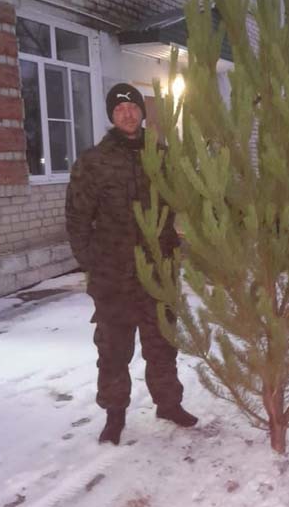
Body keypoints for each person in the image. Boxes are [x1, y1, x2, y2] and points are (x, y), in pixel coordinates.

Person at [66, 83, 197, 445]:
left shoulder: (162, 157)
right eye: (119, 108)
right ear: (112, 115)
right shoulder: (94, 162)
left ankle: (169, 404)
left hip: (158, 270)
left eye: (133, 107)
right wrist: (92, 262)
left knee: (162, 344)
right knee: (113, 349)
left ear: (142, 112)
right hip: (114, 276)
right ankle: (115, 414)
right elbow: (77, 218)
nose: (127, 113)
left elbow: (185, 200)